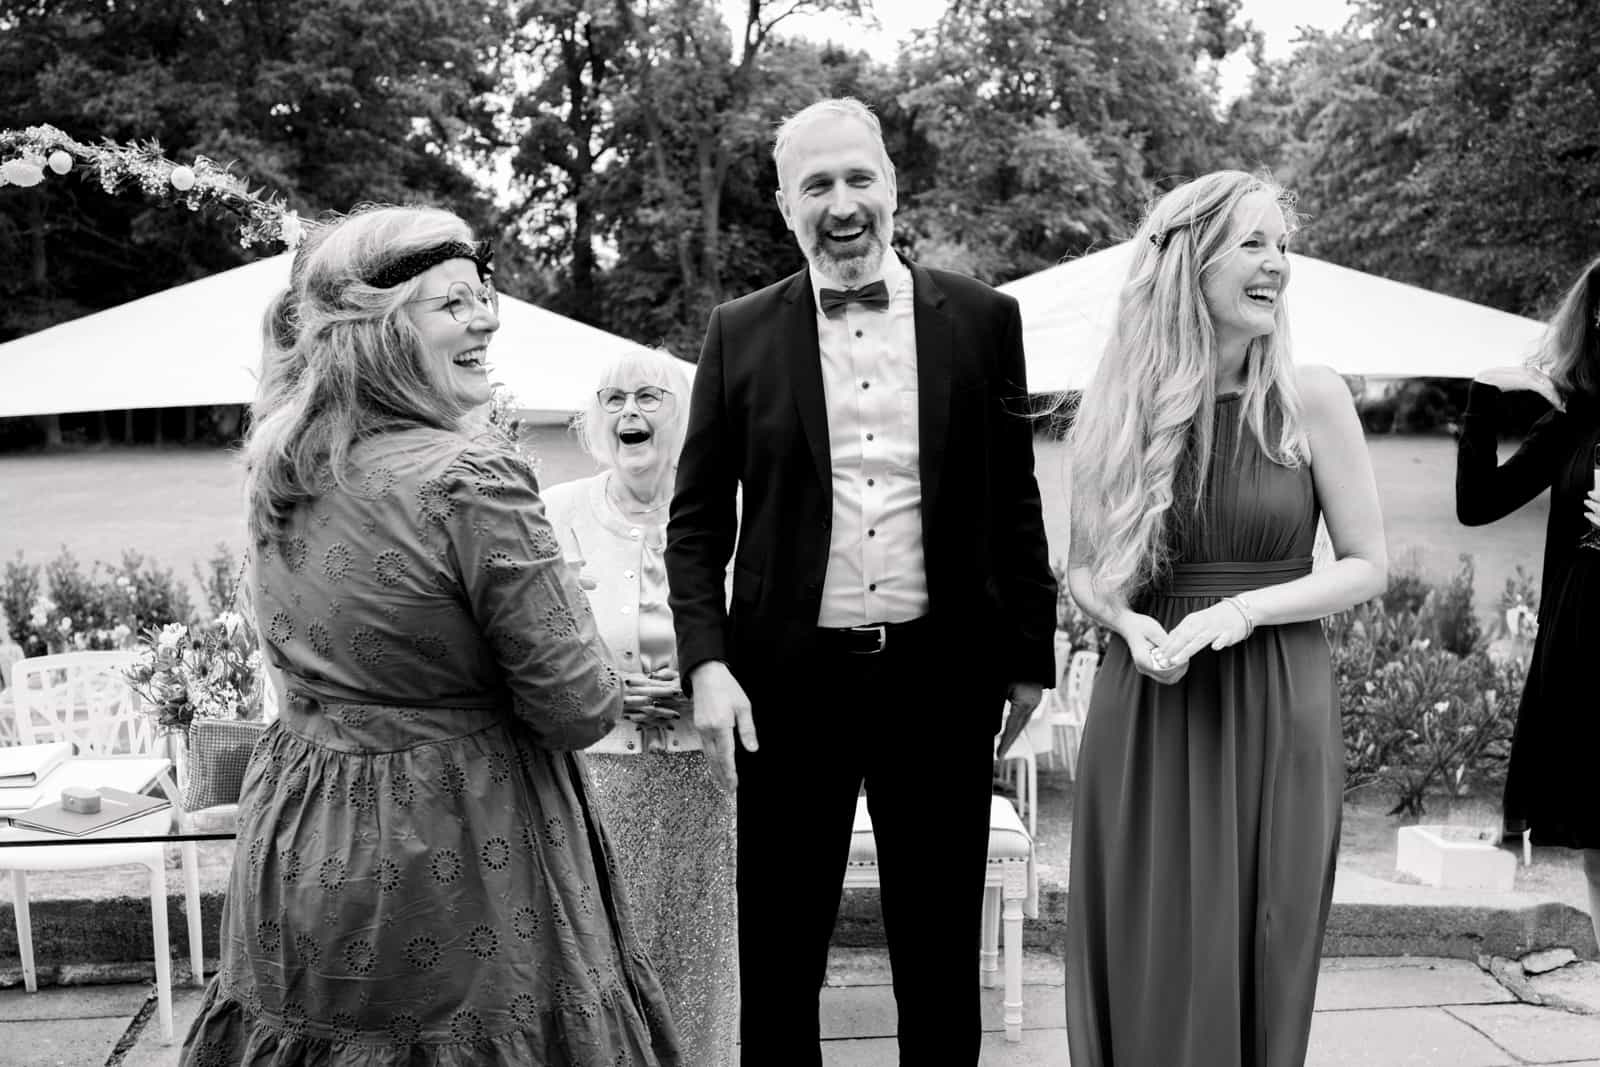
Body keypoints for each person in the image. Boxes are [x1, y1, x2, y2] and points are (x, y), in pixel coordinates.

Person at [181, 205, 681, 1066]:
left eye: (484, 296)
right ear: (377, 332)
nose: (486, 317)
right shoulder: (473, 477)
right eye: (452, 303)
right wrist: (562, 597)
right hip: (456, 847)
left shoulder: (283, 463)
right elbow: (579, 708)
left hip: (302, 835)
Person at [664, 97, 1058, 1065]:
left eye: (857, 179)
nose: (842, 205)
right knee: (780, 960)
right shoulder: (738, 331)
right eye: (816, 186)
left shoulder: (980, 319)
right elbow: (698, 521)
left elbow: (1015, 500)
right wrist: (705, 663)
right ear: (783, 205)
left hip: (940, 679)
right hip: (784, 690)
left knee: (935, 965)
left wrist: (1028, 659)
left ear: (891, 183)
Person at [1062, 171, 1388, 1067]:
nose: (1277, 264)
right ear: (1190, 264)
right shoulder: (1122, 405)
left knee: (1264, 938)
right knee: (1148, 933)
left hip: (1278, 700)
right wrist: (1127, 627)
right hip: (1152, 698)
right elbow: (1085, 569)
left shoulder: (1313, 398)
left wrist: (1246, 609)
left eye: (1283, 245)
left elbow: (1367, 564)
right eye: (1253, 243)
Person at [543, 349, 738, 1066]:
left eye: (649, 396)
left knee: (700, 971)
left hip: (703, 783)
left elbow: (756, 634)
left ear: (682, 412)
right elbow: (534, 646)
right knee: (599, 971)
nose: (629, 411)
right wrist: (610, 693)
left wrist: (702, 683)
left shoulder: (723, 513)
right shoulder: (559, 511)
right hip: (595, 785)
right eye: (613, 397)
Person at [1456, 254, 1600, 947]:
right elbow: (1479, 504)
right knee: (1598, 848)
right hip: (1583, 655)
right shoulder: (1576, 420)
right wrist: (1485, 396)